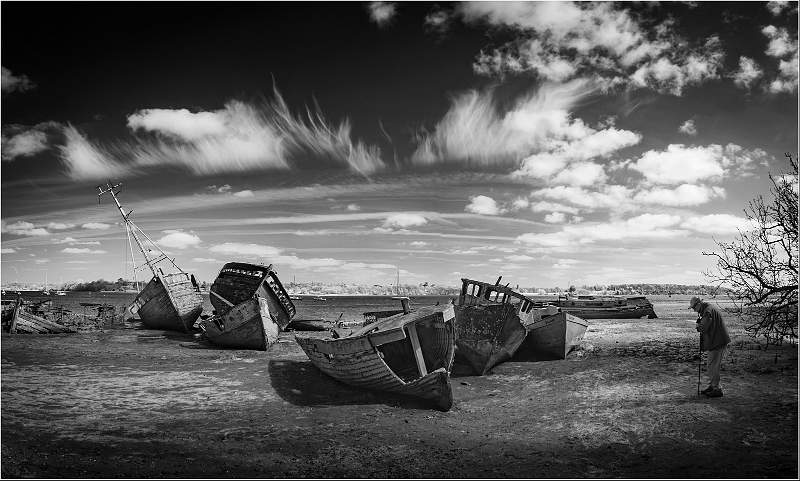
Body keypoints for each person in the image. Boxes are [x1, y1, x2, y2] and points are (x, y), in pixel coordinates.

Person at [689, 296, 731, 398]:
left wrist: (698, 326)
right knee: (711, 365)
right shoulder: (707, 309)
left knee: (712, 366)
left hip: (718, 341)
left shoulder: (707, 311)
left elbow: (703, 328)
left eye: (694, 307)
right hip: (716, 340)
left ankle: (717, 389)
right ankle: (713, 386)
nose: (694, 310)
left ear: (699, 304)